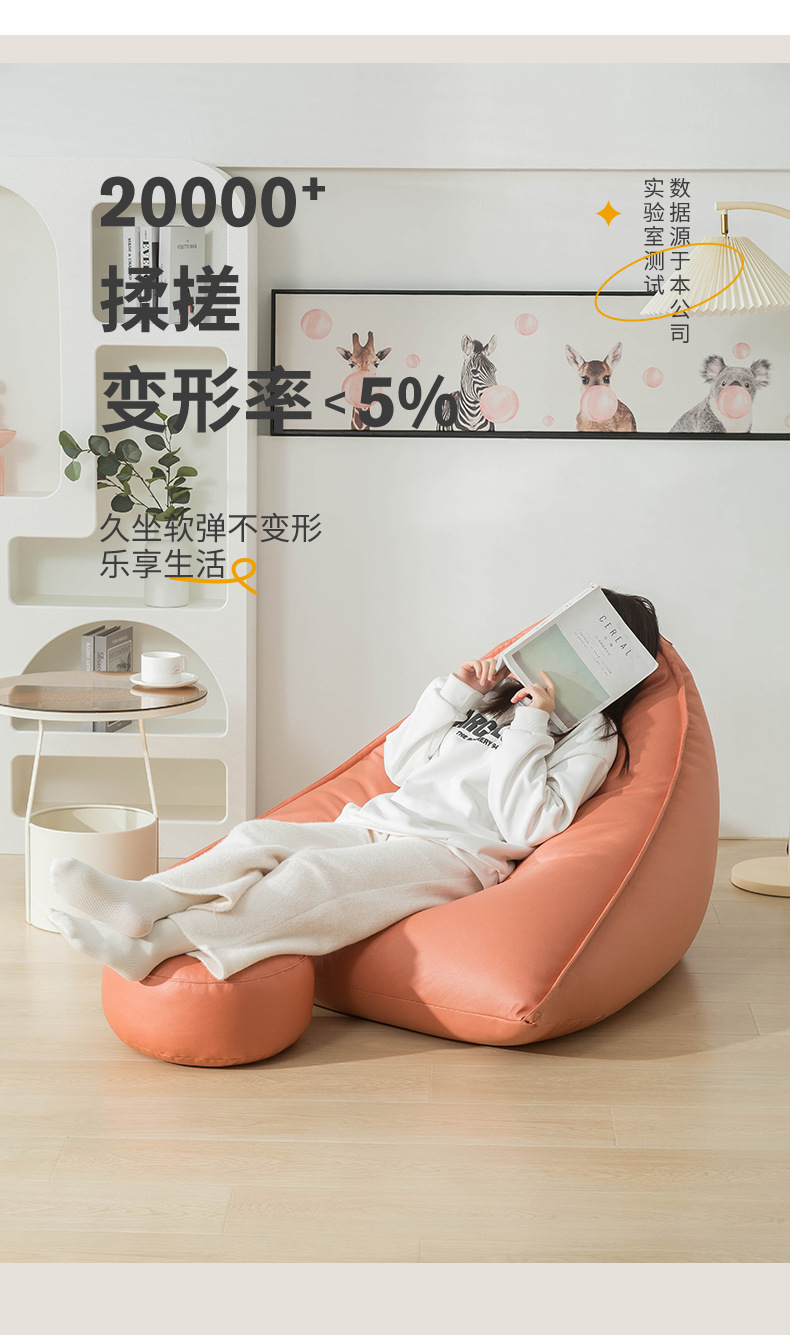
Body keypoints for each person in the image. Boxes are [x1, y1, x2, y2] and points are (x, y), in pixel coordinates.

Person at [47, 588, 660, 984]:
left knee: (314, 878)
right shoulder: (498, 698)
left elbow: (527, 824)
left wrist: (534, 725)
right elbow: (402, 763)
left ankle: (158, 946)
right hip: (382, 818)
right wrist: (457, 694)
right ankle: (146, 900)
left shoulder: (592, 737)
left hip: (453, 853)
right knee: (258, 837)